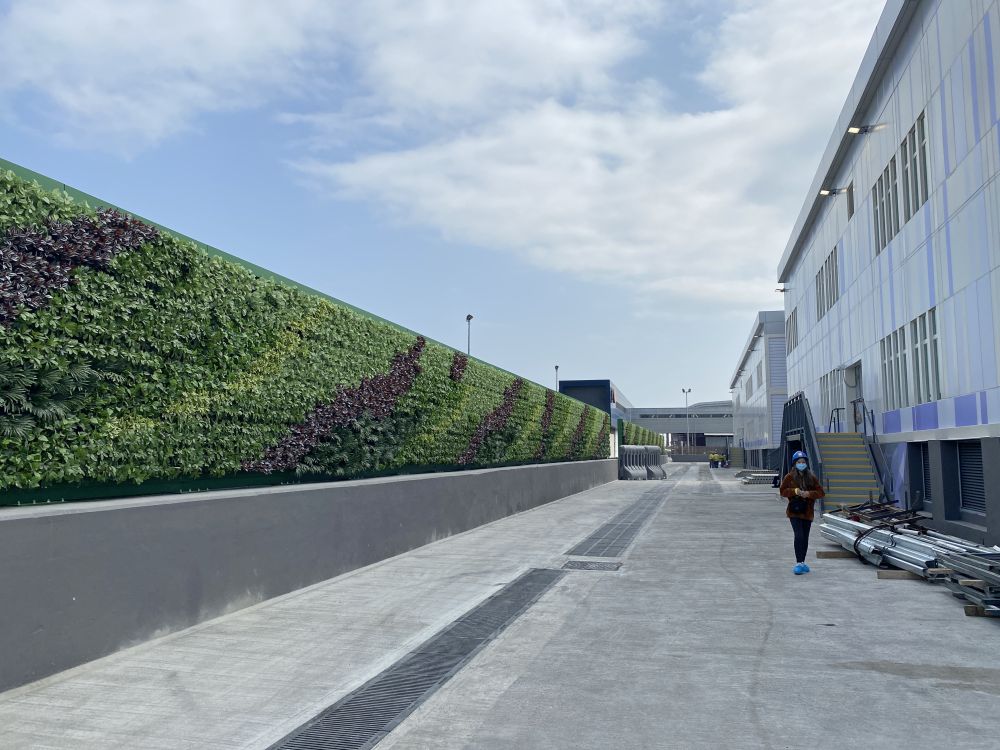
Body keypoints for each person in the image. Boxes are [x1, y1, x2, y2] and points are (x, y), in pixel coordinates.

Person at [779, 450, 826, 575]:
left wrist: (809, 494)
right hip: (794, 512)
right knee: (799, 535)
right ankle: (798, 562)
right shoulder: (789, 477)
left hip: (807, 512)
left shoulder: (811, 477)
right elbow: (782, 491)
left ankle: (803, 562)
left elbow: (821, 493)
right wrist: (795, 491)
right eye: (799, 462)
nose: (801, 464)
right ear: (795, 464)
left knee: (805, 537)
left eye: (803, 462)